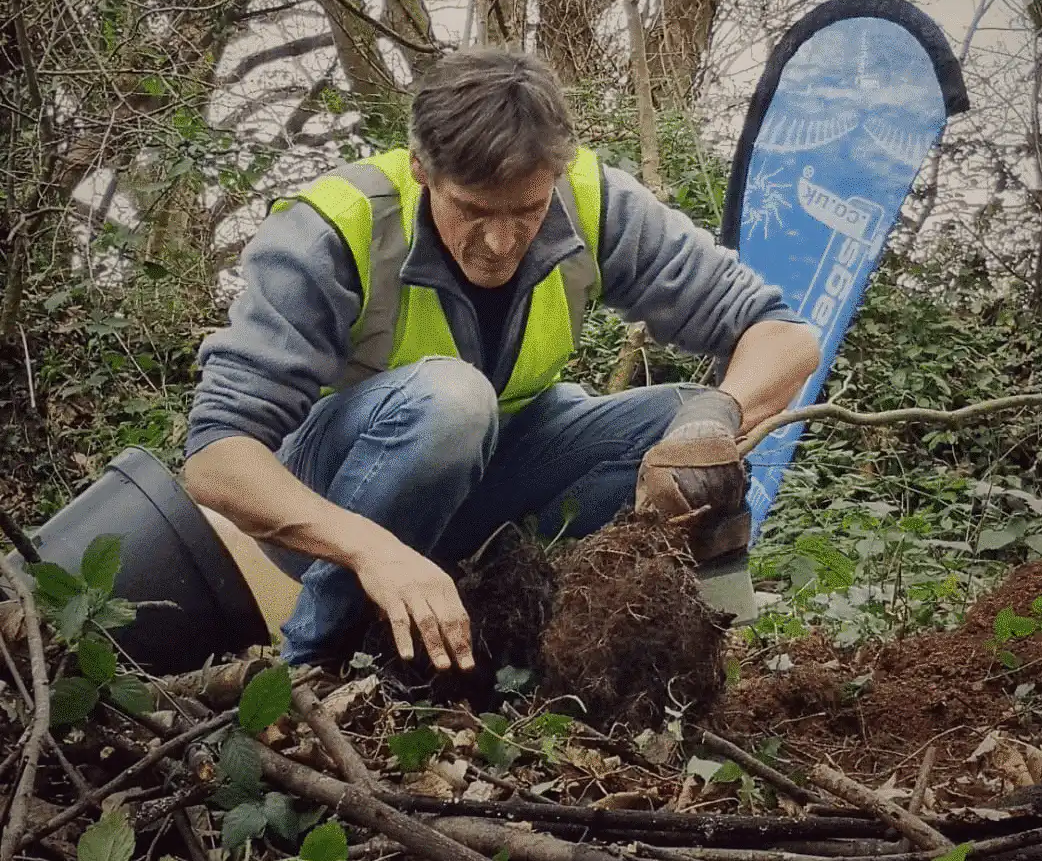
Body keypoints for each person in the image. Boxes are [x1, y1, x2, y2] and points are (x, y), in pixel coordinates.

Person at [183, 48, 819, 672]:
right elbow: (217, 460)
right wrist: (371, 548)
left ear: (555, 177)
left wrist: (716, 416)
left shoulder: (592, 201)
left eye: (527, 210)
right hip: (341, 500)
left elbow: (783, 336)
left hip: (488, 494)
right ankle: (317, 663)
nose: (501, 242)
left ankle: (531, 645)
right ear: (422, 171)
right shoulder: (335, 229)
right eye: (475, 210)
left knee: (683, 419)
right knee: (453, 402)